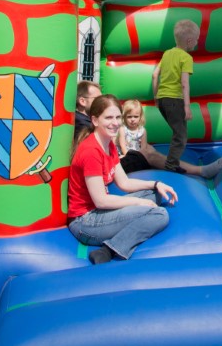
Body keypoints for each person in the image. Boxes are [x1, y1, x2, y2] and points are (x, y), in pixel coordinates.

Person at [68, 94, 178, 264]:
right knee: (159, 214)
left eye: (118, 117)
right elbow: (101, 201)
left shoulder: (108, 144)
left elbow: (124, 183)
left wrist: (156, 184)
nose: (115, 123)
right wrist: (138, 203)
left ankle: (138, 213)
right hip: (85, 222)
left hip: (99, 212)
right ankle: (110, 250)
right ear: (95, 120)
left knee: (153, 193)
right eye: (109, 118)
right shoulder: (91, 151)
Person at [78, 80, 222, 178]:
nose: (101, 102)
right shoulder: (81, 123)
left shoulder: (88, 119)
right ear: (82, 101)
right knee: (148, 153)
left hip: (111, 162)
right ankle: (199, 171)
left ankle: (188, 169)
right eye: (97, 99)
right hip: (107, 167)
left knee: (148, 150)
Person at [152, 19, 199, 173]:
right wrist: (187, 107)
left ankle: (173, 162)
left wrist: (156, 98)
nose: (197, 42)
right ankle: (171, 166)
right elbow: (184, 83)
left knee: (177, 133)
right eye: (196, 39)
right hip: (175, 100)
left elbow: (154, 75)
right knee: (181, 136)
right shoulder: (186, 58)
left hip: (162, 99)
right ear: (189, 41)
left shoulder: (166, 54)